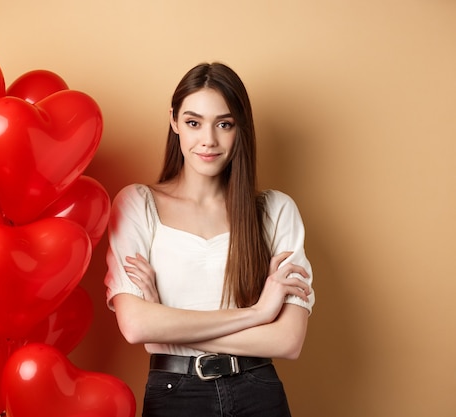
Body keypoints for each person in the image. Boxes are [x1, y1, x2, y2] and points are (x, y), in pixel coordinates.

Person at [104, 62, 315, 417]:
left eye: (224, 124)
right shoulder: (137, 204)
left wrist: (166, 331)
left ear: (240, 128)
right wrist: (259, 313)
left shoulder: (275, 211)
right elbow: (136, 324)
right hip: (175, 396)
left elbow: (287, 341)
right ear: (174, 121)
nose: (208, 140)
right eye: (193, 122)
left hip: (257, 392)